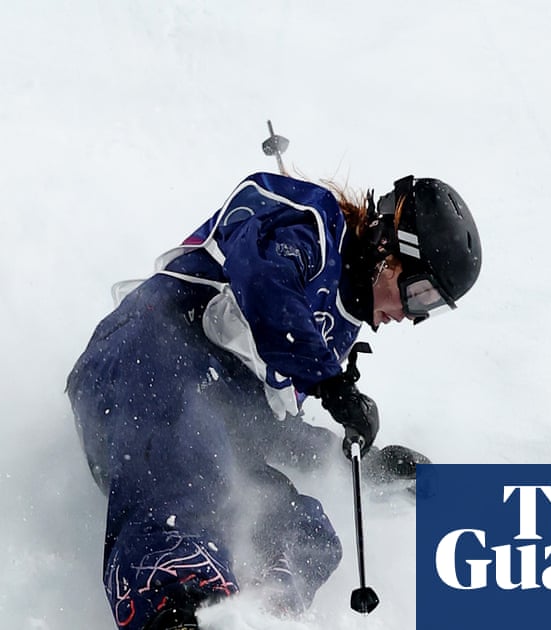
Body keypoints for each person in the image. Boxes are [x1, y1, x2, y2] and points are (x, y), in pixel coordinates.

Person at [66, 171, 482, 630]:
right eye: (418, 293)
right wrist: (331, 382)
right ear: (389, 246)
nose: (408, 314)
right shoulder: (311, 223)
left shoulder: (336, 331)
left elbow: (262, 427)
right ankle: (179, 611)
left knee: (303, 531)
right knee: (189, 470)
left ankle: (253, 615)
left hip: (203, 419)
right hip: (148, 360)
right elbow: (264, 281)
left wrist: (363, 465)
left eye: (429, 309)